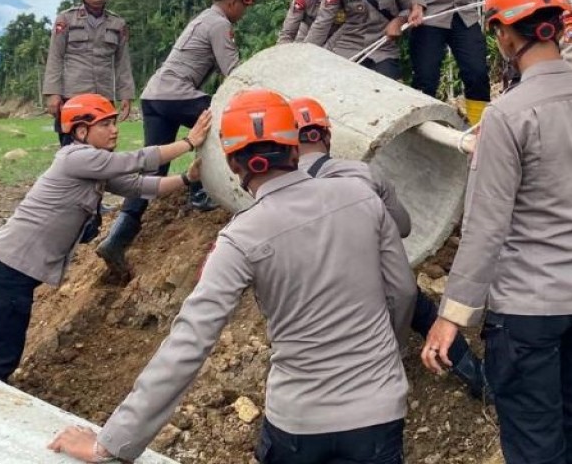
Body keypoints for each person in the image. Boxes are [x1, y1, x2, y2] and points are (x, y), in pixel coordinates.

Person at [49, 89, 417, 464]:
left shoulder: (240, 238)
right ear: (294, 149)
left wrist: (111, 445)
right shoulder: (362, 198)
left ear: (232, 163)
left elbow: (190, 341)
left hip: (298, 422)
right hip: (378, 412)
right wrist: (390, 356)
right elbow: (403, 291)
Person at [421, 0, 572, 464]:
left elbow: (485, 226)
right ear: (561, 26)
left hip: (526, 316)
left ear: (503, 33)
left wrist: (452, 315)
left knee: (533, 442)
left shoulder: (507, 115)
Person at [0, 95, 210, 382]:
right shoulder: (78, 157)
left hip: (3, 265)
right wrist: (188, 142)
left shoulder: (95, 169)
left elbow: (140, 185)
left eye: (114, 123)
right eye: (105, 124)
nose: (114, 129)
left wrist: (186, 179)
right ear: (81, 132)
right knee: (0, 355)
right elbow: (135, 160)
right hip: (9, 269)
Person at [290, 95, 487, 400]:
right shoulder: (364, 174)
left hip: (320, 306)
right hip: (378, 286)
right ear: (328, 135)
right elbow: (404, 227)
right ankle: (478, 378)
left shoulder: (278, 194)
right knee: (422, 311)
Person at [97, 0, 254, 280]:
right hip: (177, 95)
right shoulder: (221, 24)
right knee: (220, 120)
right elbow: (233, 72)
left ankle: (117, 239)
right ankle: (200, 191)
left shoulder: (202, 18)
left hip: (154, 96)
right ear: (235, 2)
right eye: (244, 7)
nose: (243, 13)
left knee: (154, 167)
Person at [43, 0, 134, 146]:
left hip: (103, 97)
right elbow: (55, 58)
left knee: (104, 149)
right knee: (71, 149)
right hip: (73, 97)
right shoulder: (66, 20)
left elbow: (122, 63)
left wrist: (126, 95)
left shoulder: (117, 24)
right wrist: (53, 94)